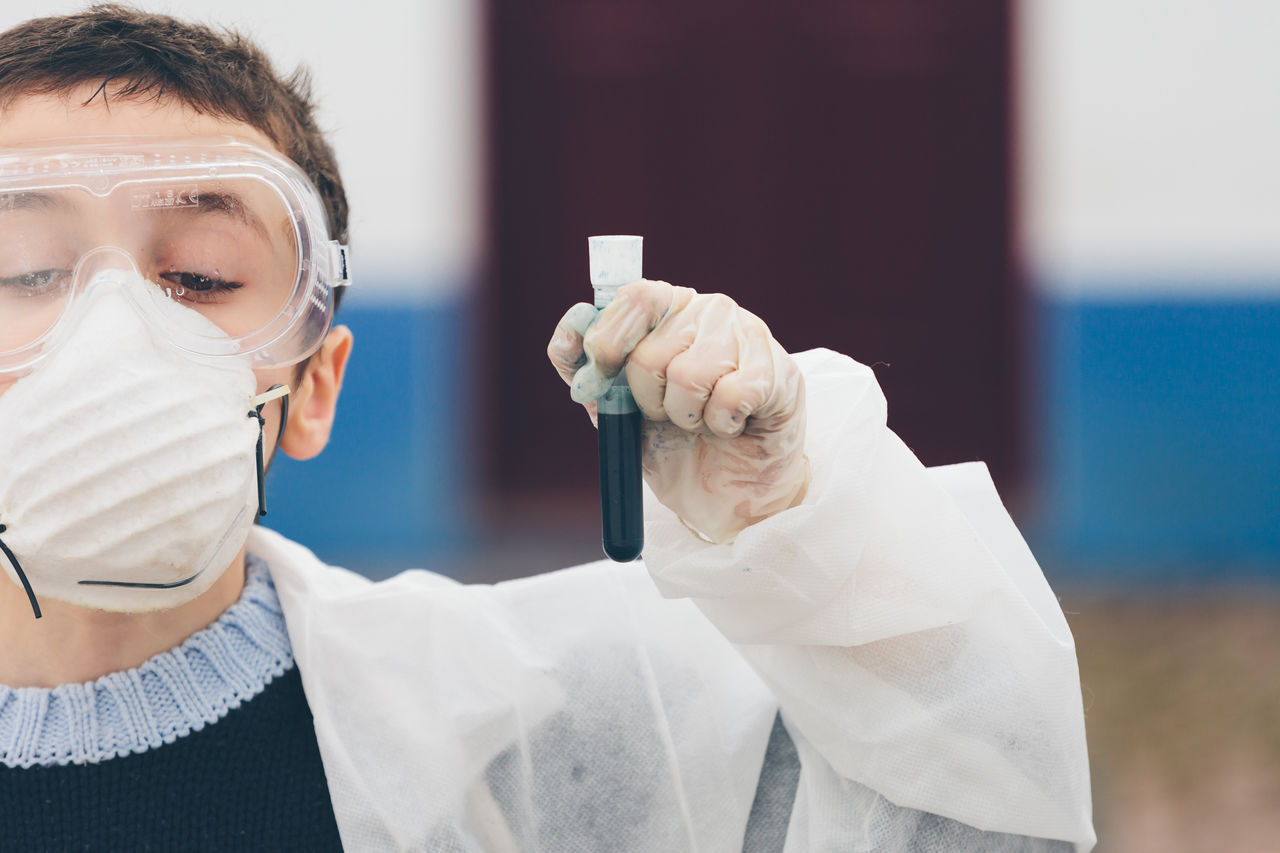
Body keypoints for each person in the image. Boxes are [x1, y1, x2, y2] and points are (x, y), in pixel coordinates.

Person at [0, 6, 1094, 852]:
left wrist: (801, 535)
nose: (113, 335)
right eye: (26, 271)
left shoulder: (518, 724)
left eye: (197, 275)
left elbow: (980, 802)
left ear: (315, 386)